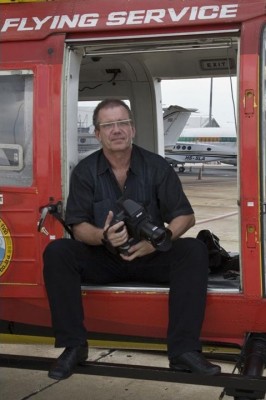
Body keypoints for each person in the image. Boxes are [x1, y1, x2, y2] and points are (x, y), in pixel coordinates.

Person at [43, 99, 221, 380]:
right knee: (58, 252)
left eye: (122, 123)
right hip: (104, 258)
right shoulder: (85, 171)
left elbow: (185, 217)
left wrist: (156, 242)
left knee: (193, 250)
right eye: (108, 125)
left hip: (150, 255)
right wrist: (103, 236)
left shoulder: (157, 166)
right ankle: (74, 346)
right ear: (97, 133)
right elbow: (77, 227)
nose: (117, 130)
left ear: (133, 129)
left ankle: (183, 351)